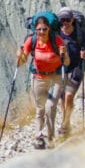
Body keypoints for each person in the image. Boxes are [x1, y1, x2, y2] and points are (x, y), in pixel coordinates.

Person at [17, 12, 69, 149]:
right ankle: (39, 136)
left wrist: (64, 54)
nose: (41, 32)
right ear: (35, 29)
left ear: (49, 29)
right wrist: (20, 55)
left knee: (50, 107)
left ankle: (50, 137)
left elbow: (67, 62)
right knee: (40, 109)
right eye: (39, 29)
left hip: (56, 76)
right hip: (39, 77)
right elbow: (23, 61)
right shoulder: (31, 41)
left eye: (44, 29)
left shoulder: (57, 40)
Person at [56, 8, 85, 136]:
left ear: (72, 20)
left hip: (77, 67)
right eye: (62, 20)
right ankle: (66, 122)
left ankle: (65, 125)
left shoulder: (80, 33)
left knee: (69, 96)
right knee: (62, 98)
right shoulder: (56, 34)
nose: (65, 22)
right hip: (61, 69)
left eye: (67, 20)